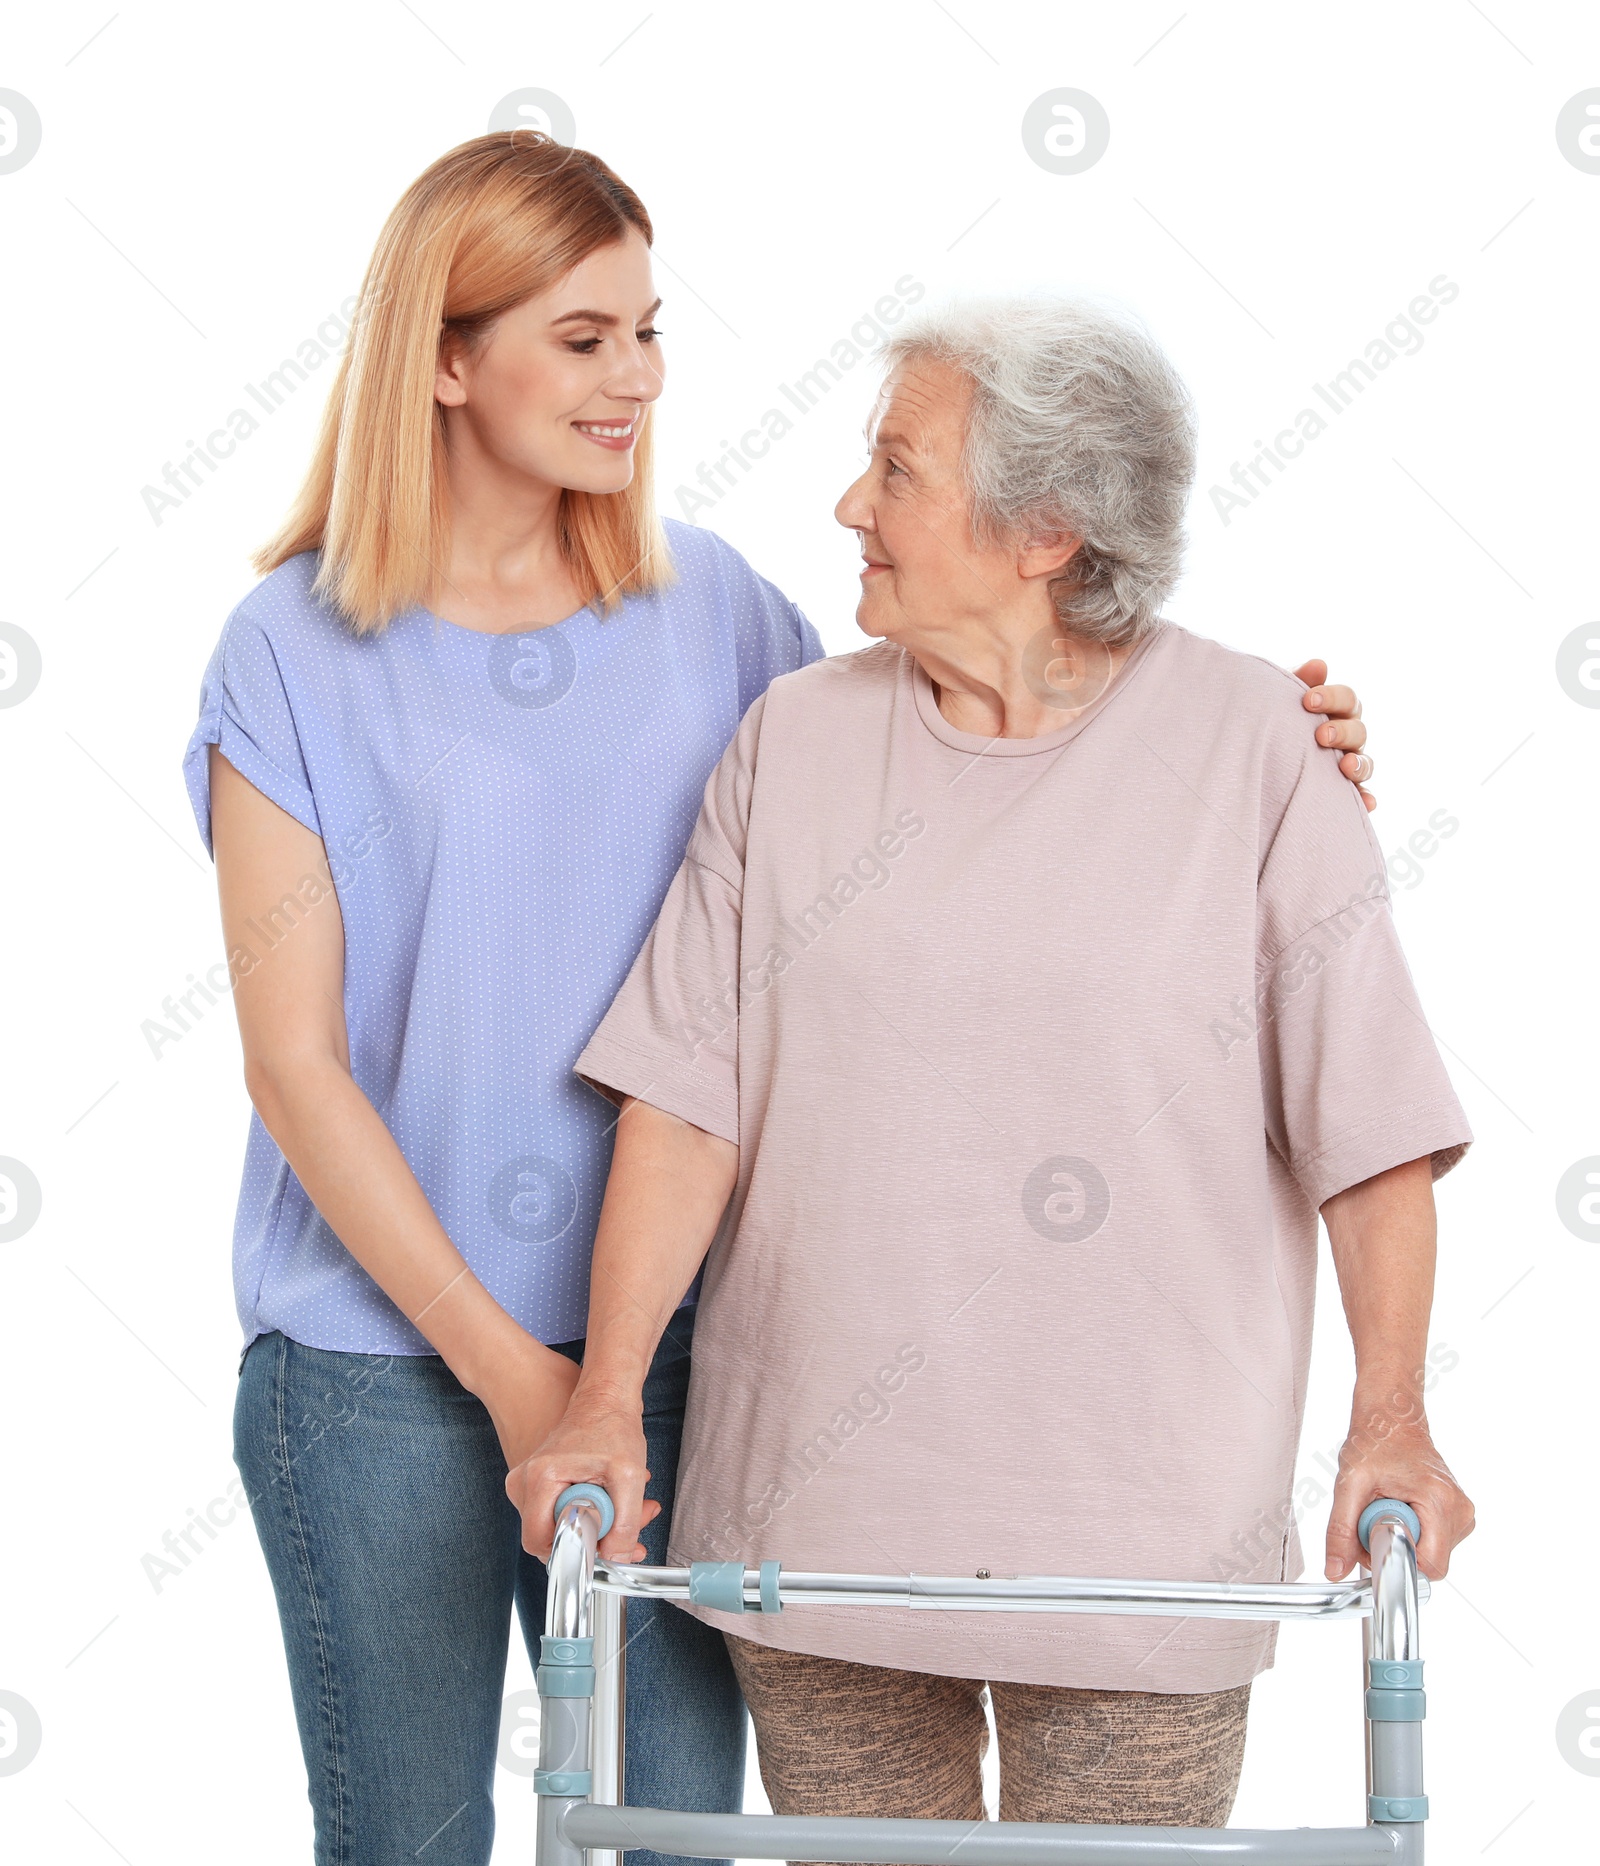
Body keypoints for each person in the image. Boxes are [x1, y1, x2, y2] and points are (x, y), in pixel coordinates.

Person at [512, 296, 1474, 1833]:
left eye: (896, 468)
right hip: (816, 1529)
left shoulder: (1260, 747)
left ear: (1044, 529)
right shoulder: (793, 744)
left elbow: (1368, 1132)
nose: (849, 506)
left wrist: (1395, 1416)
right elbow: (688, 1100)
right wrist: (609, 1395)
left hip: (1137, 1550)